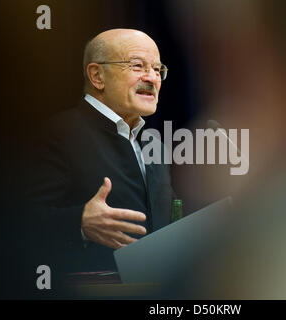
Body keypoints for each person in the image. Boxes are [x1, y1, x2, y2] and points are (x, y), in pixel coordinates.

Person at [27, 29, 175, 273]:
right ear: (97, 76)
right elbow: (9, 222)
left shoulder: (154, 145)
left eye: (158, 70)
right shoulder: (57, 133)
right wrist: (79, 223)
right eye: (138, 66)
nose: (152, 78)